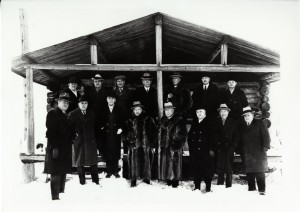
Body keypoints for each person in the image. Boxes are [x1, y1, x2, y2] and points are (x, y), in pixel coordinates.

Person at [44, 92, 74, 200]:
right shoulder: (53, 113)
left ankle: (61, 192)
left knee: (63, 169)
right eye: (64, 102)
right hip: (56, 147)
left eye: (67, 103)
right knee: (55, 171)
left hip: (65, 147)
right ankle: (55, 196)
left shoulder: (65, 115)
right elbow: (51, 132)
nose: (66, 104)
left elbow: (69, 130)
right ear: (58, 102)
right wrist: (54, 147)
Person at [122, 101, 157, 187]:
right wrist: (128, 139)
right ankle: (133, 179)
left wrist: (151, 144)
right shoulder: (129, 120)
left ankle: (146, 178)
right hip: (134, 146)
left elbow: (155, 132)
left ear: (142, 110)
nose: (137, 111)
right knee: (134, 163)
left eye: (139, 109)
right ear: (133, 110)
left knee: (146, 162)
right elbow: (124, 134)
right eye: (135, 109)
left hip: (146, 146)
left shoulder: (148, 119)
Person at [68, 95, 99, 185]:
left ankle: (95, 181)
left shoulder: (92, 114)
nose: (84, 105)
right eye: (82, 103)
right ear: (78, 104)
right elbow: (69, 129)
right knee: (79, 161)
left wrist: (95, 139)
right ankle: (82, 181)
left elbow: (96, 128)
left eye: (85, 103)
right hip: (79, 141)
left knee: (93, 161)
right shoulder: (72, 114)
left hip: (90, 141)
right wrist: (74, 137)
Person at [240, 106, 270, 195]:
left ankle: (262, 190)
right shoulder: (243, 126)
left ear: (252, 115)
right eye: (245, 116)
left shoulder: (259, 123)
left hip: (259, 152)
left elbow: (266, 136)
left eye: (248, 115)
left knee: (259, 171)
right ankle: (251, 188)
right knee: (249, 171)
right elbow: (240, 139)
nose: (246, 117)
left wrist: (266, 146)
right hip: (247, 153)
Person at [157, 102, 187, 188]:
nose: (167, 112)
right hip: (164, 147)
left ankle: (175, 183)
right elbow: (159, 134)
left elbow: (183, 134)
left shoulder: (179, 120)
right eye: (166, 110)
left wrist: (176, 145)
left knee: (174, 165)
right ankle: (168, 181)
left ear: (173, 110)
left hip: (174, 148)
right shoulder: (163, 120)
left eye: (169, 110)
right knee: (166, 165)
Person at [187, 106, 215, 192]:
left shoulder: (210, 123)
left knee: (207, 171)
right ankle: (197, 187)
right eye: (197, 112)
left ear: (205, 113)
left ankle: (208, 188)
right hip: (195, 151)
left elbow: (213, 137)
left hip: (206, 152)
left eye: (201, 112)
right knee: (196, 170)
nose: (199, 113)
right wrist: (191, 148)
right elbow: (190, 136)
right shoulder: (195, 123)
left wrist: (211, 149)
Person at [99, 90, 125, 178]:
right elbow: (99, 121)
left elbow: (123, 120)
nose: (110, 100)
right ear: (107, 99)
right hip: (106, 134)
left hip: (115, 134)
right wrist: (102, 128)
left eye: (112, 98)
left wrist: (121, 128)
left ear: (115, 100)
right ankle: (109, 171)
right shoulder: (102, 109)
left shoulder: (119, 109)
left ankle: (115, 171)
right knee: (107, 152)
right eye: (109, 98)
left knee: (115, 151)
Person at [213, 104, 239, 188]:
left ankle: (228, 185)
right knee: (220, 166)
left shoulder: (233, 122)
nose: (223, 113)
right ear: (219, 113)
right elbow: (214, 135)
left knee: (229, 167)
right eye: (221, 111)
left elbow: (236, 136)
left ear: (228, 112)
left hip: (229, 147)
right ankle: (220, 184)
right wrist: (216, 145)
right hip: (220, 147)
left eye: (225, 111)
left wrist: (233, 146)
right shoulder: (217, 122)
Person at [85, 74, 108, 155]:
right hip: (91, 117)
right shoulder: (88, 92)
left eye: (99, 81)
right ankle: (92, 153)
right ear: (93, 82)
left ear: (101, 82)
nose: (97, 83)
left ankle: (101, 153)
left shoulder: (105, 92)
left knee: (102, 136)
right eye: (96, 81)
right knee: (92, 135)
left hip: (102, 118)